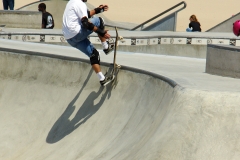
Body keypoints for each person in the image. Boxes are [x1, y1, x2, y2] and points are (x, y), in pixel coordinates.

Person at [62, 0, 115, 86]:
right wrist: (102, 32)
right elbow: (86, 23)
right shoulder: (80, 3)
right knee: (99, 21)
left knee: (94, 54)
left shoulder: (71, 2)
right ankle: (106, 47)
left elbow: (86, 14)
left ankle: (102, 79)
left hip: (69, 39)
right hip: (77, 33)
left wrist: (99, 9)